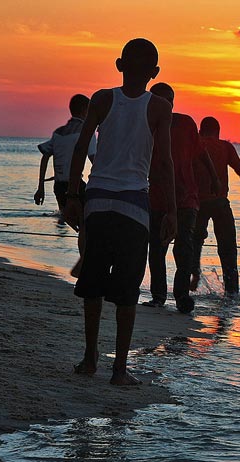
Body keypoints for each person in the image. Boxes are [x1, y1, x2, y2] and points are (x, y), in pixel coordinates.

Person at [63, 38, 177, 386]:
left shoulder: (102, 98)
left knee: (93, 284)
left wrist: (72, 195)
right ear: (155, 73)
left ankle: (89, 358)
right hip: (133, 207)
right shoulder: (159, 106)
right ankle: (119, 369)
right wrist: (170, 210)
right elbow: (163, 162)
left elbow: (82, 147)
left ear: (119, 65)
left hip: (97, 201)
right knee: (127, 292)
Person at [141, 82, 218, 313]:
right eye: (160, 100)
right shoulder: (146, 126)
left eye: (169, 100)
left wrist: (214, 178)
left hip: (186, 198)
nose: (166, 105)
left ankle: (182, 296)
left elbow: (200, 153)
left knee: (184, 249)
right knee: (156, 248)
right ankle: (158, 295)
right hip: (156, 198)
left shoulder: (185, 123)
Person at [191, 116, 240, 297]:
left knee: (195, 242)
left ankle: (194, 274)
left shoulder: (195, 145)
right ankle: (232, 293)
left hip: (197, 204)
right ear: (218, 132)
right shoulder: (225, 147)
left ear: (201, 131)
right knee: (228, 250)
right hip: (220, 204)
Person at [34, 94, 97, 276]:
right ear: (86, 110)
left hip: (59, 188)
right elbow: (94, 159)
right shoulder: (86, 131)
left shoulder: (59, 132)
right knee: (88, 225)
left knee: (82, 226)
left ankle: (83, 262)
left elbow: (45, 155)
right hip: (76, 186)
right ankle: (83, 264)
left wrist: (40, 186)